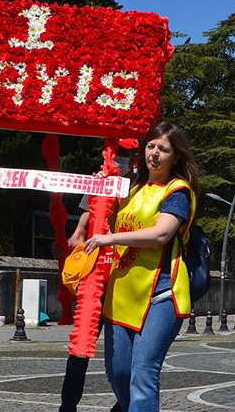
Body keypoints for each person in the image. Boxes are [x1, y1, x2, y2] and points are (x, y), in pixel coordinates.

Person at [83, 122, 198, 412]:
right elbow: (102, 213)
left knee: (144, 373)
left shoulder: (178, 192)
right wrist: (101, 187)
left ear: (176, 157)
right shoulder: (130, 189)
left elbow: (160, 234)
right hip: (122, 293)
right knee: (119, 373)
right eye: (151, 146)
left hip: (162, 294)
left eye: (164, 149)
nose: (155, 154)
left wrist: (111, 238)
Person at [58, 138, 138, 412]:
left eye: (125, 154)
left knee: (124, 355)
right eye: (116, 153)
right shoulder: (99, 183)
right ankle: (67, 406)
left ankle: (123, 404)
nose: (119, 159)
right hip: (95, 280)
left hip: (127, 277)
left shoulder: (141, 187)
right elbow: (77, 235)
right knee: (80, 347)